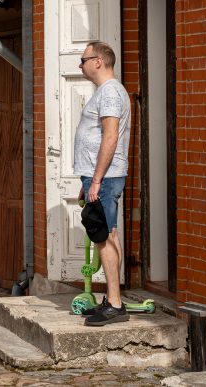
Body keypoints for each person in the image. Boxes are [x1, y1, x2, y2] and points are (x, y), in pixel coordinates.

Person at [74, 41, 131, 327]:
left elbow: (110, 138)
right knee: (109, 234)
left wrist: (96, 179)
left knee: (103, 237)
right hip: (100, 176)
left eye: (83, 60)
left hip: (105, 177)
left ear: (98, 61)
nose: (80, 65)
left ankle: (116, 305)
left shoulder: (109, 93)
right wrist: (88, 179)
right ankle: (112, 298)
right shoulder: (106, 92)